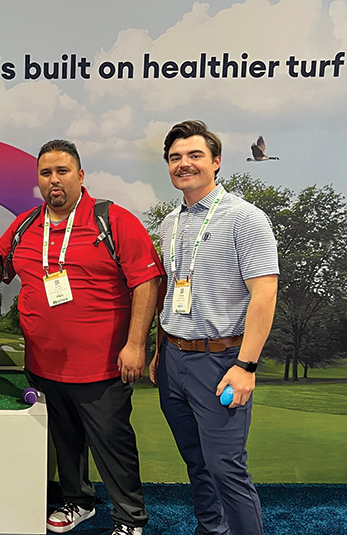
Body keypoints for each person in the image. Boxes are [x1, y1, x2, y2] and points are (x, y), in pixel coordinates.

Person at [0, 139, 162, 535]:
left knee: (112, 444)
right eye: (45, 173)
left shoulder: (113, 220)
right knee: (65, 443)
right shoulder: (24, 224)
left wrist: (137, 344)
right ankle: (78, 501)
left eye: (62, 171)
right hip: (43, 364)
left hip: (102, 365)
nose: (54, 180)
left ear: (81, 175)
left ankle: (129, 518)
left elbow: (147, 282)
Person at [149, 120, 278, 535]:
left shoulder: (246, 218)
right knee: (197, 463)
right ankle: (211, 530)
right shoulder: (170, 224)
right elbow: (170, 293)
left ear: (216, 162)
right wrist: (158, 351)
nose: (184, 164)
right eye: (175, 158)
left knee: (227, 471)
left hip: (222, 361)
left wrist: (246, 367)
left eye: (194, 155)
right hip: (173, 360)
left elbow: (264, 295)